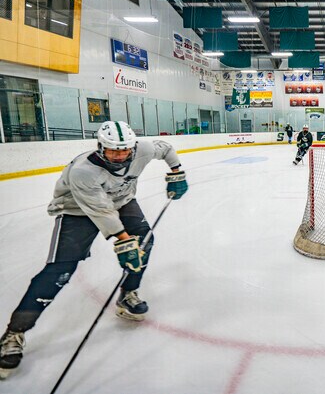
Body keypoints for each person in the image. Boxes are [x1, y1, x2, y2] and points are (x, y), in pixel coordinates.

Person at [0, 121, 188, 379]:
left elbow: (166, 148)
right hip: (76, 209)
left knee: (144, 242)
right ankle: (14, 332)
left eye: (125, 150)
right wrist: (123, 241)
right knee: (60, 271)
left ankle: (128, 295)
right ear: (100, 148)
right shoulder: (83, 171)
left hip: (121, 200)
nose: (120, 155)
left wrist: (176, 172)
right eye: (113, 151)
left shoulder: (142, 149)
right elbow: (101, 212)